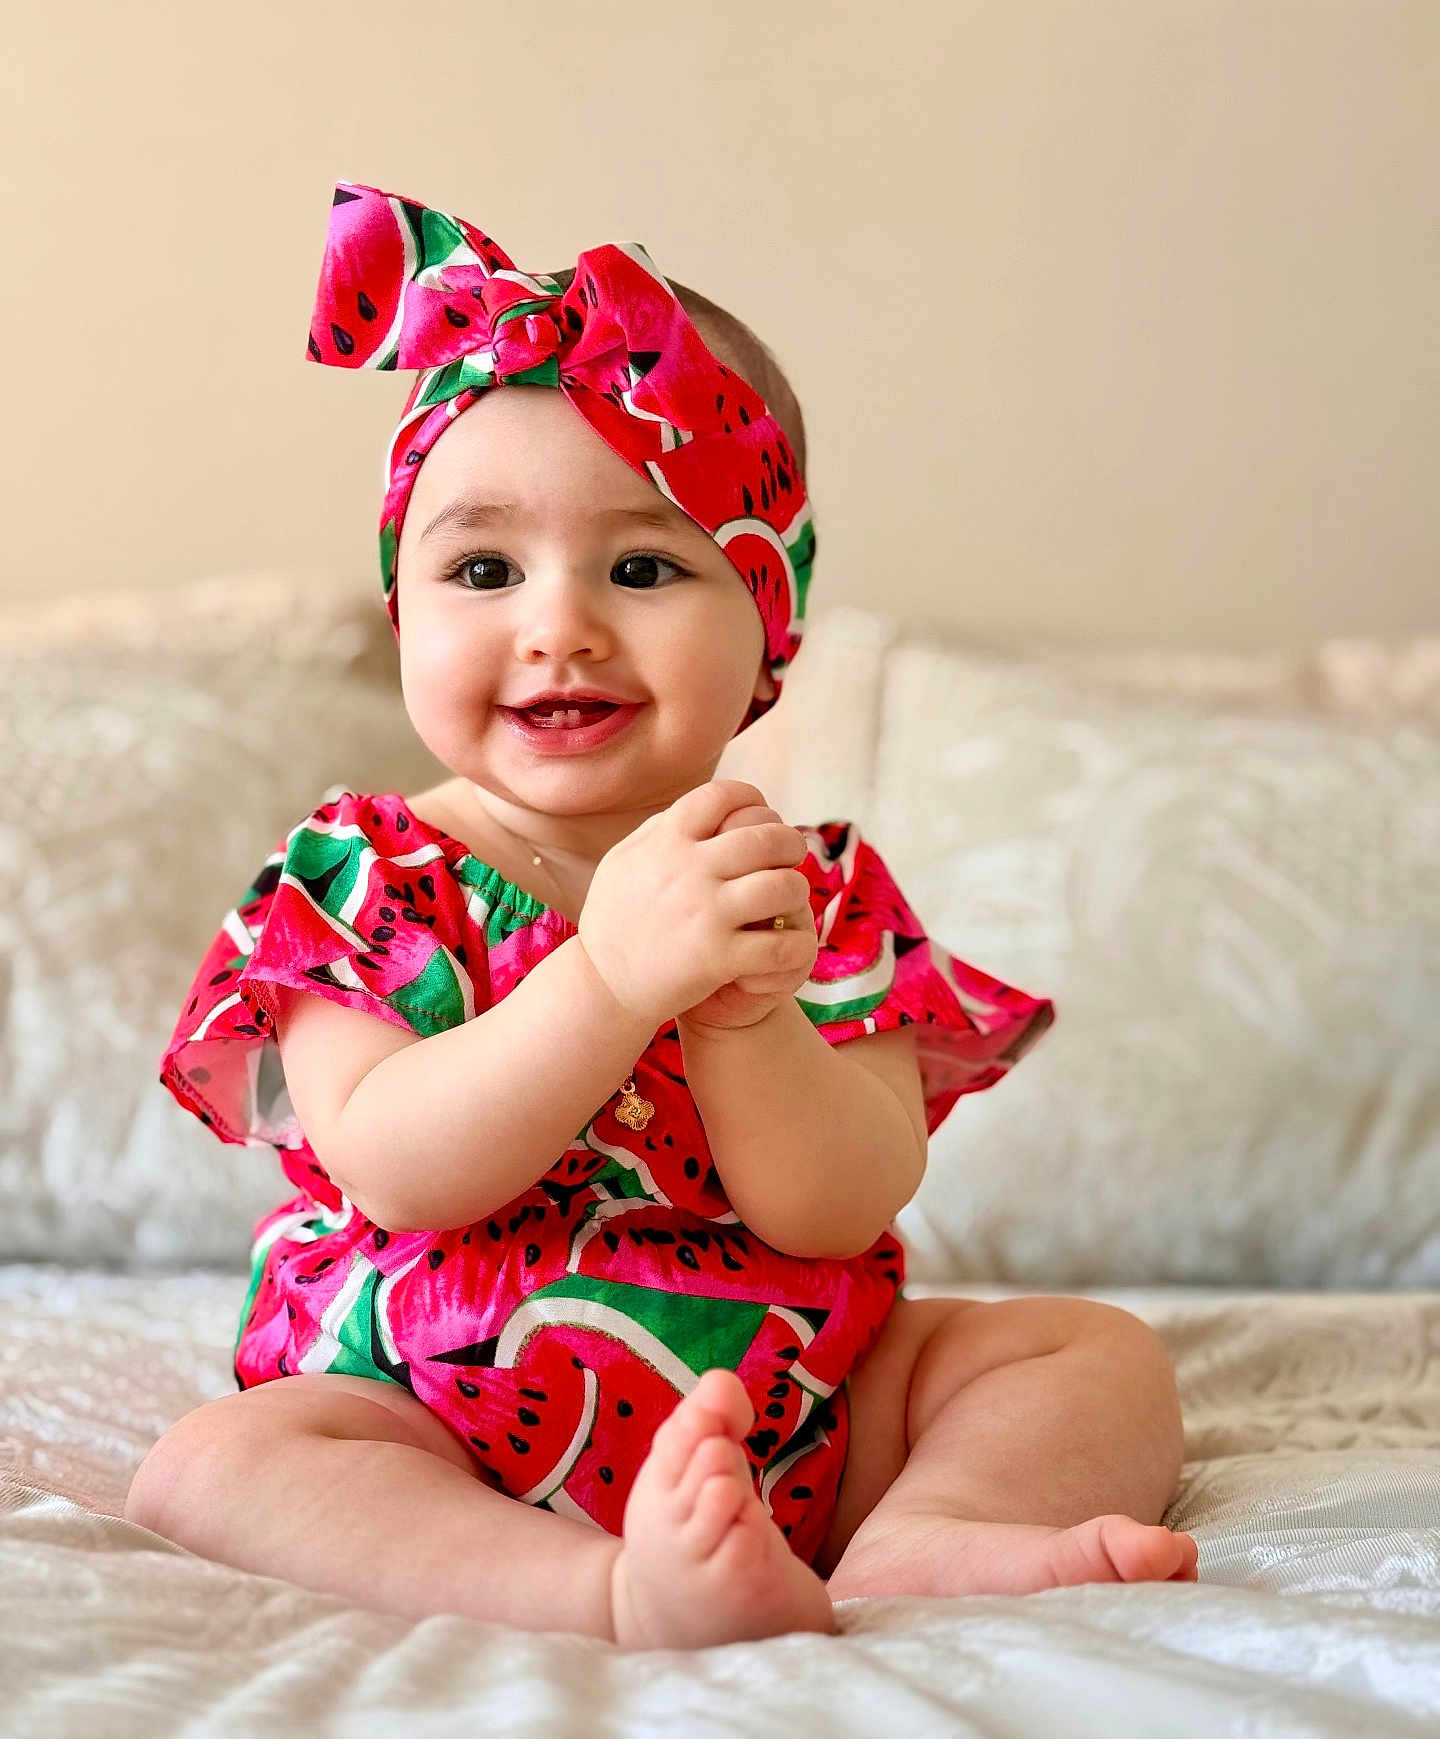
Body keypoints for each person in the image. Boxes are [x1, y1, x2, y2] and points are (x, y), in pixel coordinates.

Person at [128, 179, 1197, 1650]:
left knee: (1092, 1355)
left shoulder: (812, 891)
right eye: (483, 569)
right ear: (402, 609)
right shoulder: (359, 875)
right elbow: (393, 1166)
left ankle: (921, 1536)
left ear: (769, 619)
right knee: (217, 1466)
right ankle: (611, 1589)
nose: (557, 623)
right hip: (440, 1411)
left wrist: (743, 1010)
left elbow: (837, 1203)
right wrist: (606, 982)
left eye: (643, 565)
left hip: (800, 1399)